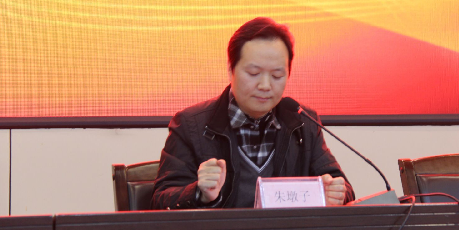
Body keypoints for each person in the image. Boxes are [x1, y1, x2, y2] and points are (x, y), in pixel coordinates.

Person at [151, 17, 354, 209]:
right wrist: (199, 193)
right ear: (230, 69)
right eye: (253, 73)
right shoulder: (190, 125)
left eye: (277, 75)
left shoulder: (302, 123)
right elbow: (160, 200)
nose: (265, 85)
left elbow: (343, 188)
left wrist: (336, 193)